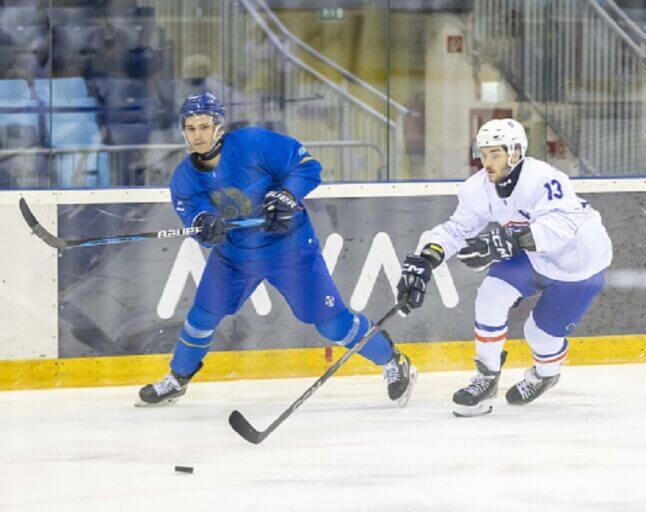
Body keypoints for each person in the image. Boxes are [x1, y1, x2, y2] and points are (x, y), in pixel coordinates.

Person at [137, 92, 417, 407]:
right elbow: (195, 216)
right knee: (201, 316)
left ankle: (394, 361)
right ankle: (177, 378)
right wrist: (205, 224)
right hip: (235, 257)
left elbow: (308, 167)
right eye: (190, 128)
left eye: (203, 126)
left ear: (218, 127)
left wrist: (287, 194)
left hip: (289, 249)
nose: (197, 135)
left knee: (332, 323)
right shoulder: (184, 179)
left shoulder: (254, 143)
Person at [397, 119, 612, 417]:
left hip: (578, 264)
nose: (487, 162)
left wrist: (511, 239)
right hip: (532, 255)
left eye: (495, 154)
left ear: (515, 153)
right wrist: (426, 259)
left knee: (539, 335)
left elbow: (562, 225)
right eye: (483, 154)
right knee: (490, 294)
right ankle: (486, 379)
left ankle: (546, 374)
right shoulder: (478, 188)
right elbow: (456, 230)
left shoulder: (544, 178)